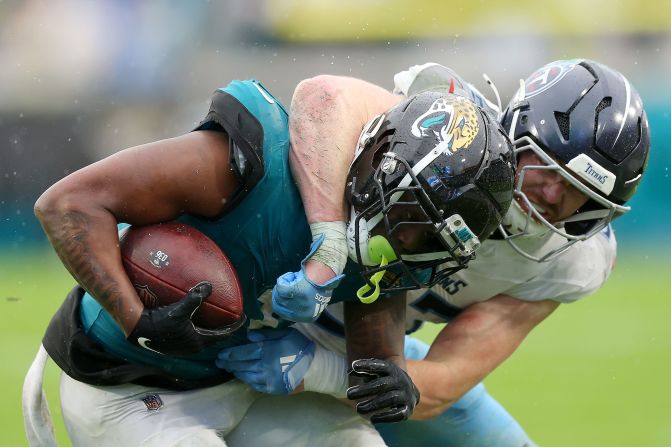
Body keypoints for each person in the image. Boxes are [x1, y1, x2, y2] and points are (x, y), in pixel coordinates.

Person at [26, 73, 515, 446]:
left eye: (431, 239)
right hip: (126, 385)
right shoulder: (255, 166)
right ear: (382, 168)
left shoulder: (396, 247)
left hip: (240, 386)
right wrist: (138, 318)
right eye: (411, 220)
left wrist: (393, 385)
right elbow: (67, 204)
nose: (408, 243)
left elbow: (373, 363)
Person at [219, 59, 650, 447]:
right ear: (517, 130)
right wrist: (329, 245)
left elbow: (446, 380)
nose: (552, 194)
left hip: (358, 352)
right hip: (260, 301)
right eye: (546, 166)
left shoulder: (571, 261)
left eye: (578, 191)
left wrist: (319, 370)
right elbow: (327, 97)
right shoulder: (453, 129)